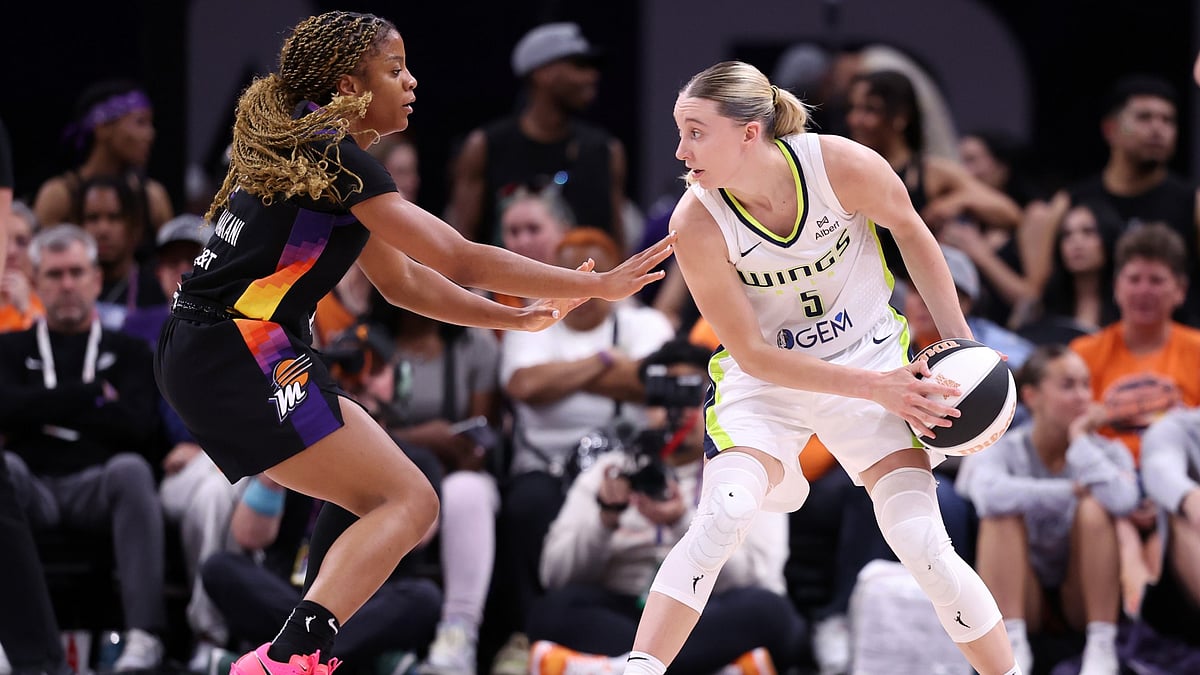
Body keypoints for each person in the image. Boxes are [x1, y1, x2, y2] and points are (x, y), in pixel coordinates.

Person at [153, 11, 674, 673]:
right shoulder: (334, 157)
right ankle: (287, 658)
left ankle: (297, 651)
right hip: (239, 348)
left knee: (375, 492)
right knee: (409, 499)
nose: (412, 82)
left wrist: (514, 318)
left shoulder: (314, 155)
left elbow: (403, 283)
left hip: (209, 347)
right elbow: (456, 255)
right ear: (350, 82)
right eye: (394, 69)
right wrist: (591, 286)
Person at [623, 60, 1018, 675]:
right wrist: (879, 388)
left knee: (922, 543)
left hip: (866, 351)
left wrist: (963, 351)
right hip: (768, 380)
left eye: (696, 131)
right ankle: (639, 668)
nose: (680, 150)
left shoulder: (840, 165)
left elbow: (914, 236)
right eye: (679, 132)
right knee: (723, 512)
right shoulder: (695, 221)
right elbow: (751, 354)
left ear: (749, 132)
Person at [528, 339, 803, 675]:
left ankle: (622, 667)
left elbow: (761, 576)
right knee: (552, 610)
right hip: (625, 608)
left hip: (708, 609)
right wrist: (604, 518)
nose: (676, 411)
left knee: (769, 612)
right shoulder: (610, 470)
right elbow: (555, 575)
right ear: (646, 404)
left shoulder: (745, 468)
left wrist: (686, 523)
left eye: (689, 396)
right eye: (662, 397)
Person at [0, 225, 167, 669]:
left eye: (76, 272)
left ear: (96, 278)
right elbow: (4, 410)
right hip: (30, 485)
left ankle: (143, 636)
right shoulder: (10, 348)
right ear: (35, 282)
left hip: (99, 485)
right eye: (54, 275)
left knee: (132, 469)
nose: (67, 284)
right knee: (3, 466)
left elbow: (137, 426)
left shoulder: (130, 351)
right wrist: (91, 393)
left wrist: (38, 410)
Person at [957, 345, 1138, 675]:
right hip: (1024, 595)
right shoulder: (1004, 447)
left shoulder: (1104, 452)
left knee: (1095, 509)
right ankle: (1010, 645)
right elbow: (984, 494)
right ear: (1031, 396)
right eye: (1068, 386)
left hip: (1082, 596)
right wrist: (1069, 490)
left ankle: (1102, 645)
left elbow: (1125, 498)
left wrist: (1080, 440)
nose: (1083, 396)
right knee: (1001, 515)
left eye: (1086, 384)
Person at [446, 22, 627, 251]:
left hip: (589, 284)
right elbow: (460, 241)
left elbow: (618, 244)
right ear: (543, 73)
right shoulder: (485, 146)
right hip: (503, 286)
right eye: (579, 65)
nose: (592, 76)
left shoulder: (607, 150)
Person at [32, 80, 173, 259]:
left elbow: (173, 267)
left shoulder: (153, 198)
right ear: (102, 128)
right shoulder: (58, 196)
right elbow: (37, 264)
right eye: (140, 122)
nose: (150, 134)